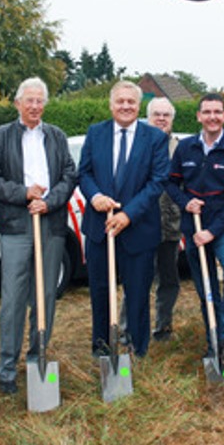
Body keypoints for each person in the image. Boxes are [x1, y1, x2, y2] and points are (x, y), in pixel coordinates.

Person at [0, 77, 78, 395]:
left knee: (46, 296)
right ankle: (7, 367)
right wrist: (23, 194)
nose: (35, 106)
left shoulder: (57, 136)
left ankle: (38, 359)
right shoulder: (0, 136)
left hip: (50, 225)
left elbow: (69, 174)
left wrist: (49, 201)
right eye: (29, 100)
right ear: (18, 104)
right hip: (16, 226)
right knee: (12, 299)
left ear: (44, 105)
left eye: (40, 101)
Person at [79, 81, 169, 358]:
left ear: (138, 105)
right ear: (111, 104)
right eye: (120, 101)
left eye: (131, 101)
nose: (126, 106)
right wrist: (94, 197)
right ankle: (102, 348)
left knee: (138, 293)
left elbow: (158, 181)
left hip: (138, 230)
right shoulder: (96, 134)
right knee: (100, 292)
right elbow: (84, 173)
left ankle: (137, 348)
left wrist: (128, 214)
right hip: (100, 229)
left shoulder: (154, 138)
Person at [166, 93, 224, 366]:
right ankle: (212, 337)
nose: (212, 117)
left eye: (218, 112)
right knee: (206, 284)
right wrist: (185, 201)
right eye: (207, 112)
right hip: (194, 228)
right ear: (199, 116)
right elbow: (169, 183)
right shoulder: (186, 147)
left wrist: (213, 232)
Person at [146, 97, 183, 341]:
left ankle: (163, 327)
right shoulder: (137, 146)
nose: (161, 119)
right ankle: (129, 330)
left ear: (172, 119)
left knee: (169, 280)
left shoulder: (181, 149)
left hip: (171, 227)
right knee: (137, 281)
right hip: (142, 226)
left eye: (166, 115)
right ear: (148, 118)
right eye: (156, 114)